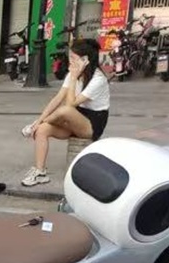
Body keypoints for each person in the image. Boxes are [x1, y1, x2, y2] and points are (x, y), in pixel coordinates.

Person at [21, 38, 110, 187]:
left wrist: (74, 77)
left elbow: (69, 105)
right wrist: (40, 120)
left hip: (92, 123)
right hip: (74, 117)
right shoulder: (73, 73)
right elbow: (58, 98)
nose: (70, 61)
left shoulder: (98, 79)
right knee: (42, 130)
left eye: (73, 58)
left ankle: (35, 125)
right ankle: (40, 172)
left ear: (85, 60)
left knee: (65, 110)